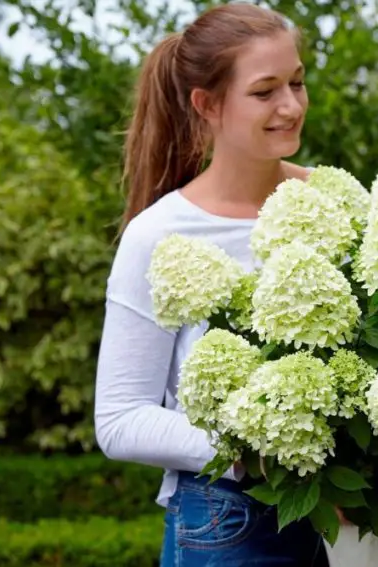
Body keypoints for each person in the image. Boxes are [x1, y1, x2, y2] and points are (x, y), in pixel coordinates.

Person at [93, 3, 327, 566]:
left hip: (341, 517)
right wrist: (257, 448)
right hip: (230, 520)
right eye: (265, 90)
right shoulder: (158, 235)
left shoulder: (331, 199)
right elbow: (120, 419)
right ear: (207, 104)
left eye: (296, 82)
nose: (291, 105)